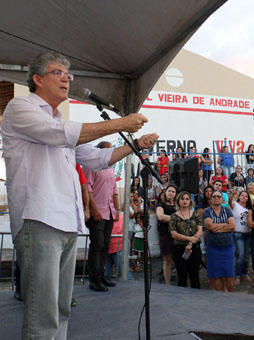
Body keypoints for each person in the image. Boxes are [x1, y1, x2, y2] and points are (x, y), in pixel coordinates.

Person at [1, 52, 157, 339]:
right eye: (58, 73)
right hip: (39, 220)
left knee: (61, 310)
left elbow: (96, 159)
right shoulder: (19, 107)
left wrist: (135, 144)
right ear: (37, 79)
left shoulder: (60, 121)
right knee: (42, 314)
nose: (66, 79)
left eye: (68, 75)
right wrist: (120, 124)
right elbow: (59, 134)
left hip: (68, 224)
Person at [83, 141, 120, 291]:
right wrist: (94, 209)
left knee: (105, 245)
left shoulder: (110, 169)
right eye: (109, 150)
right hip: (97, 213)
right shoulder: (91, 166)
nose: (112, 153)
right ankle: (94, 279)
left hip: (109, 212)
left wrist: (116, 210)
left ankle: (102, 275)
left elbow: (115, 191)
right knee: (97, 245)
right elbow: (87, 188)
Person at [203, 190, 236, 292]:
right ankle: (220, 298)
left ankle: (231, 298)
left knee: (229, 273)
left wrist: (216, 228)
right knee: (216, 274)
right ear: (211, 199)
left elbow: (232, 226)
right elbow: (210, 227)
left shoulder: (227, 210)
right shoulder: (207, 212)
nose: (216, 198)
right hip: (213, 248)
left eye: (218, 196)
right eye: (214, 196)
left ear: (222, 199)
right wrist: (225, 226)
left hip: (228, 246)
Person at [169, 191, 203, 288]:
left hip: (194, 248)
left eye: (187, 199)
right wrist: (189, 239)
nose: (185, 201)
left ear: (190, 201)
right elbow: (174, 234)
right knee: (182, 277)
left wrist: (190, 243)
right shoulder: (174, 216)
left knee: (195, 276)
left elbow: (200, 230)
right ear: (178, 201)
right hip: (179, 249)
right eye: (182, 199)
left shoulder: (196, 214)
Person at [156, 184, 177, 284]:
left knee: (179, 259)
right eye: (169, 191)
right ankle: (167, 284)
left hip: (178, 235)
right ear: (165, 192)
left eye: (173, 191)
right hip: (166, 235)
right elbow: (160, 217)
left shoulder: (179, 205)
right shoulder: (161, 204)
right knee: (167, 260)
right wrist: (177, 219)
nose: (171, 193)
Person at [229, 190, 252, 285]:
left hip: (247, 233)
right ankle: (237, 275)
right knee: (240, 255)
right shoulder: (235, 205)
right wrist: (233, 194)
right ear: (239, 196)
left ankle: (244, 273)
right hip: (237, 233)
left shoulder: (249, 209)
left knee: (246, 256)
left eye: (246, 196)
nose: (244, 197)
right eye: (242, 195)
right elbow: (229, 201)